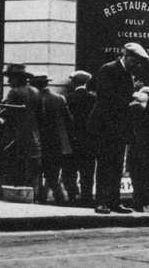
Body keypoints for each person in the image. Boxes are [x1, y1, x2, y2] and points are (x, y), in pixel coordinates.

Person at [89, 42, 149, 215]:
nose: (137, 65)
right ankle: (101, 202)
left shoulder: (127, 73)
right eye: (136, 61)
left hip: (119, 126)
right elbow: (106, 97)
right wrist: (131, 104)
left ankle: (113, 201)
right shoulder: (108, 69)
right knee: (104, 164)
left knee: (116, 164)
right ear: (126, 55)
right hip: (105, 125)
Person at [0, 64, 42, 198]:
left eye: (11, 78)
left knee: (14, 166)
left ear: (18, 78)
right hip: (33, 135)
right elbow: (41, 114)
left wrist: (1, 111)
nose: (9, 81)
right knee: (31, 169)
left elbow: (7, 113)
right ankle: (34, 195)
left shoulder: (14, 92)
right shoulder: (35, 91)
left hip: (15, 134)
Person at [35, 74, 74, 205]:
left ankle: (54, 199)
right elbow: (69, 120)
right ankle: (52, 198)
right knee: (53, 173)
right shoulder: (59, 98)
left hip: (43, 142)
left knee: (42, 174)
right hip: (60, 143)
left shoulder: (36, 99)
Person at [63, 70, 96, 206]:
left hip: (73, 140)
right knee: (87, 171)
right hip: (89, 141)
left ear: (74, 82)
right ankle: (86, 197)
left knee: (70, 170)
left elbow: (66, 121)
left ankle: (73, 196)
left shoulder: (69, 98)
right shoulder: (94, 98)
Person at [129, 86, 149, 212]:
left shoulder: (134, 110)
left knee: (136, 172)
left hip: (137, 146)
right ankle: (147, 198)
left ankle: (138, 200)